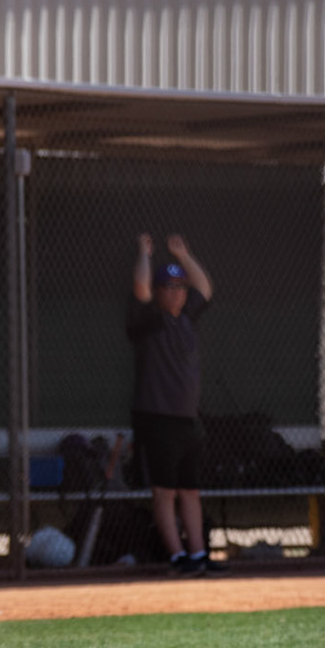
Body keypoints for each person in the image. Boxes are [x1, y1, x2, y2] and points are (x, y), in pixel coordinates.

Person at [128, 232, 224, 578]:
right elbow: (141, 288)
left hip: (187, 421)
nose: (177, 293)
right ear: (159, 292)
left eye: (180, 288)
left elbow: (205, 288)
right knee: (164, 492)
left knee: (190, 491)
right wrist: (144, 253)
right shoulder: (150, 321)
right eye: (169, 288)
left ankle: (198, 554)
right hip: (157, 419)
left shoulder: (185, 318)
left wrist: (183, 254)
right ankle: (177, 557)